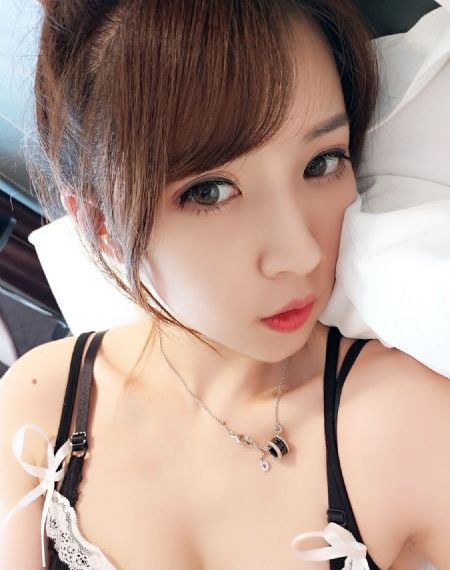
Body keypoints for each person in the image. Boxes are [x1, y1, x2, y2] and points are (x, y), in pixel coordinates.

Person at [0, 1, 448, 569]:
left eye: (321, 163)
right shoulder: (37, 407)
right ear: (100, 226)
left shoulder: (403, 421)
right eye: (209, 191)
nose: (301, 253)